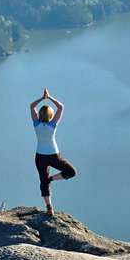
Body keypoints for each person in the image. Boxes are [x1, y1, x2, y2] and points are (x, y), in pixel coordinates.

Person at [30, 88, 77, 216]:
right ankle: (51, 179)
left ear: (40, 114)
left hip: (40, 156)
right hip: (53, 155)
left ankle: (49, 206)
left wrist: (42, 98)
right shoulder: (53, 125)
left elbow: (32, 106)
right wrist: (49, 97)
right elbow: (61, 107)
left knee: (43, 181)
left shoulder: (36, 124)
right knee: (71, 172)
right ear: (51, 115)